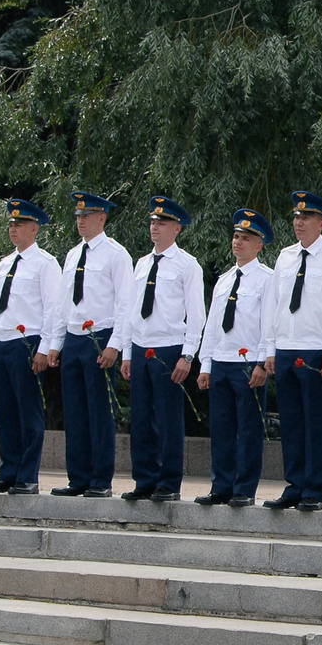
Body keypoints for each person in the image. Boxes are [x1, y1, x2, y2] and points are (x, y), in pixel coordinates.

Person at [266, 189, 322, 513]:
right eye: (296, 216)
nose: (299, 222)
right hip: (286, 347)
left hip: (316, 349)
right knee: (290, 422)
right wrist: (271, 348)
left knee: (314, 422)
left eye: (306, 217)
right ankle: (294, 485)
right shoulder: (285, 256)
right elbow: (274, 304)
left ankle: (315, 489)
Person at [121, 196, 204, 503]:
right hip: (141, 345)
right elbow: (131, 310)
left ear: (176, 228)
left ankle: (168, 482)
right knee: (141, 418)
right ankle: (144, 479)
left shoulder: (187, 265)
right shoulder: (142, 263)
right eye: (153, 222)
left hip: (168, 347)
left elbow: (196, 314)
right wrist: (127, 353)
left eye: (162, 222)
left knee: (168, 419)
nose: (155, 227)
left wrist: (187, 355)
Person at [52, 190, 134, 498]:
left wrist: (115, 344)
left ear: (102, 218)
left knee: (99, 411)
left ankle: (100, 480)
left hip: (100, 336)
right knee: (74, 411)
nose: (81, 221)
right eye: (78, 216)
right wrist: (55, 343)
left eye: (86, 216)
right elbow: (63, 303)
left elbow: (125, 303)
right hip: (73, 336)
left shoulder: (116, 254)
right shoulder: (73, 254)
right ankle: (78, 477)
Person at [194, 208, 277, 508]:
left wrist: (261, 362)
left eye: (246, 238)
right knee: (221, 428)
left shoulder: (267, 279)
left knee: (249, 428)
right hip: (221, 360)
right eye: (236, 236)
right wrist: (205, 364)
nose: (238, 242)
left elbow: (269, 323)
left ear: (259, 245)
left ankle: (244, 488)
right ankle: (221, 485)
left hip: (247, 363)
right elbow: (213, 325)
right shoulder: (225, 280)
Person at [0, 199, 56, 495]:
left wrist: (44, 348)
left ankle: (27, 475)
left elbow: (52, 309)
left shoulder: (45, 263)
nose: (13, 229)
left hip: (27, 342)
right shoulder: (4, 264)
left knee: (28, 411)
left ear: (34, 229)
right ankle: (8, 472)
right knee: (5, 412)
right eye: (11, 224)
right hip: (1, 341)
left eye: (19, 224)